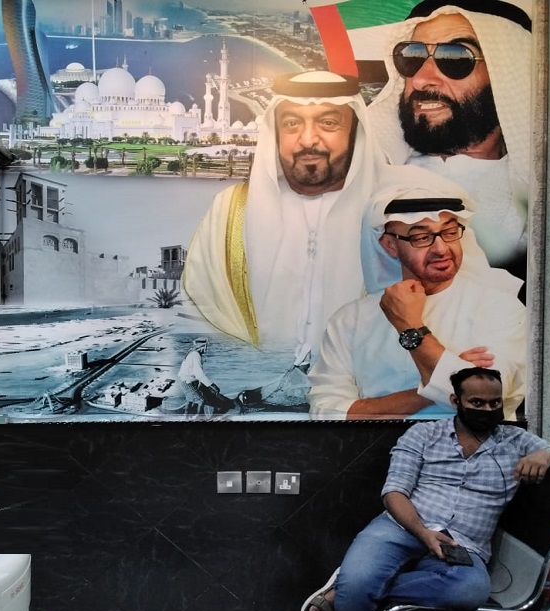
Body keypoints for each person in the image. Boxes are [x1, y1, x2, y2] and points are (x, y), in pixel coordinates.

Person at [301, 367, 550, 611]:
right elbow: (394, 492)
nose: (487, 409)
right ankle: (355, 590)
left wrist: (549, 457)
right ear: (456, 401)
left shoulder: (517, 441)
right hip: (402, 526)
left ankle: (346, 590)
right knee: (359, 582)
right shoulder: (424, 434)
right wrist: (423, 532)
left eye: (495, 403)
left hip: (463, 542)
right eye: (477, 402)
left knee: (468, 591)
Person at [183, 70, 386, 364]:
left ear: (355, 132)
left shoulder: (391, 211)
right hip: (251, 380)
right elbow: (201, 306)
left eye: (328, 123)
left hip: (360, 386)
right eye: (292, 123)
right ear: (276, 132)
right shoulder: (231, 209)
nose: (308, 139)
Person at [308, 175, 527, 420]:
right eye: (421, 237)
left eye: (449, 232)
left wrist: (410, 327)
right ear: (390, 245)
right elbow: (327, 412)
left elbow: (484, 401)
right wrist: (445, 383)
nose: (441, 249)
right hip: (375, 445)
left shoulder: (500, 308)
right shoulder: (351, 320)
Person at [367, 0, 532, 281]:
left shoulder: (539, 196)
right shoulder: (372, 180)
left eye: (455, 59)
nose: (421, 80)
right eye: (413, 56)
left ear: (505, 73)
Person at [176, 338, 236, 415]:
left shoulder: (192, 353)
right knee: (201, 401)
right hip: (188, 382)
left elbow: (195, 373)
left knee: (190, 400)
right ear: (202, 346)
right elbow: (199, 374)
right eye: (206, 346)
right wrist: (212, 385)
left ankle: (186, 416)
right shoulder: (195, 355)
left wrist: (203, 384)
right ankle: (198, 418)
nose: (206, 349)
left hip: (187, 382)